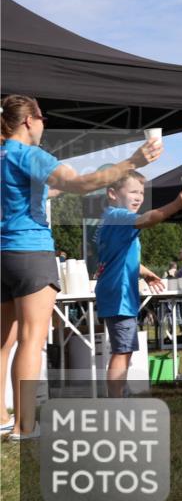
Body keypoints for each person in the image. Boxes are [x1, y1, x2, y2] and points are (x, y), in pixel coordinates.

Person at [1, 94, 160, 439]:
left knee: (4, 342)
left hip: (3, 255)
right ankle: (24, 426)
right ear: (29, 120)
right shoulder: (31, 154)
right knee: (30, 339)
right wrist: (131, 161)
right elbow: (79, 183)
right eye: (43, 118)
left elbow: (48, 193)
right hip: (30, 252)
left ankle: (2, 417)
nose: (44, 125)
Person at [96, 172, 182, 397]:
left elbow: (118, 257)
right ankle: (116, 403)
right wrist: (176, 205)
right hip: (119, 293)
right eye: (133, 192)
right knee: (122, 350)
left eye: (141, 192)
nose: (139, 197)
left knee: (125, 348)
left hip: (115, 291)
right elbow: (149, 219)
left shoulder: (110, 220)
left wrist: (146, 273)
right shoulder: (120, 216)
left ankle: (121, 394)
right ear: (112, 194)